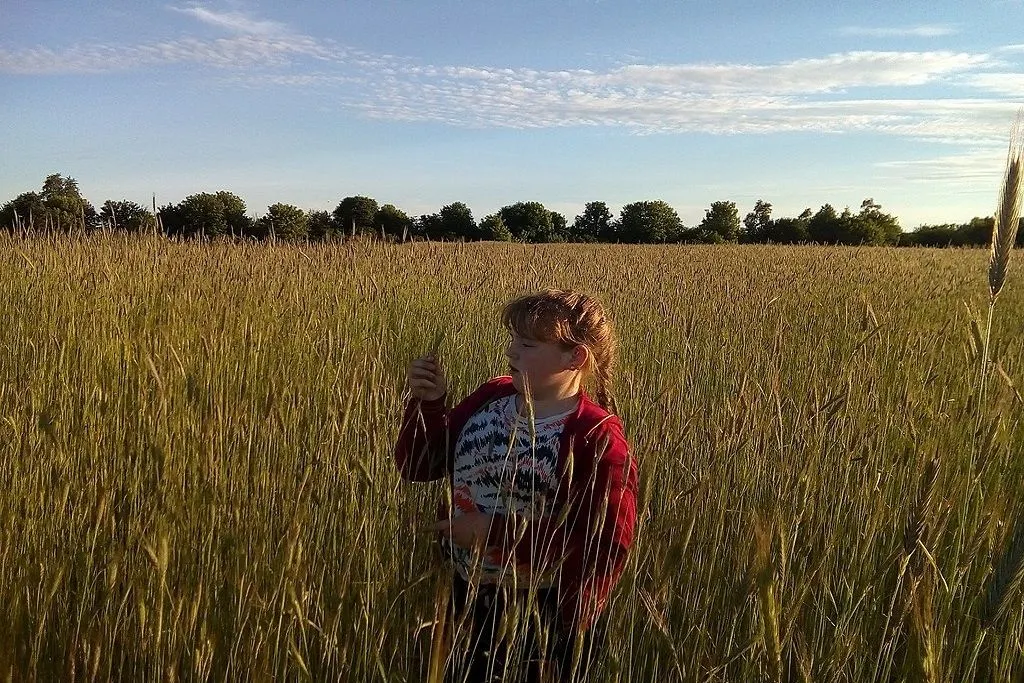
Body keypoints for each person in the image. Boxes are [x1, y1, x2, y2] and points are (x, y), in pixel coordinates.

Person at [394, 289, 638, 682]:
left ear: (575, 357)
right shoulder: (492, 397)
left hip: (542, 616)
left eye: (527, 345)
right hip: (466, 596)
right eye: (513, 340)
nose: (511, 352)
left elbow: (606, 545)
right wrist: (430, 403)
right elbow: (418, 466)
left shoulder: (596, 436)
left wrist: (495, 532)